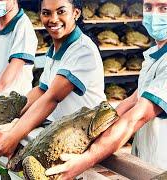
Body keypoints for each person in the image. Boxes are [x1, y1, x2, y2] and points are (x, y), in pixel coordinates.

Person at [41, 0, 167, 179]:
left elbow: (136, 116)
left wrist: (87, 158)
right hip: (146, 162)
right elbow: (131, 101)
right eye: (149, 8)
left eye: (164, 8)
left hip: (161, 165)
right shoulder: (154, 55)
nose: (155, 15)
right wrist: (89, 135)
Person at [0, 0, 106, 164]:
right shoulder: (56, 48)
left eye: (61, 12)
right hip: (63, 133)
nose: (53, 19)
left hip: (85, 140)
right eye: (46, 13)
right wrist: (7, 116)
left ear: (76, 13)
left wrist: (13, 136)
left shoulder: (83, 50)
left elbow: (52, 98)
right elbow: (41, 90)